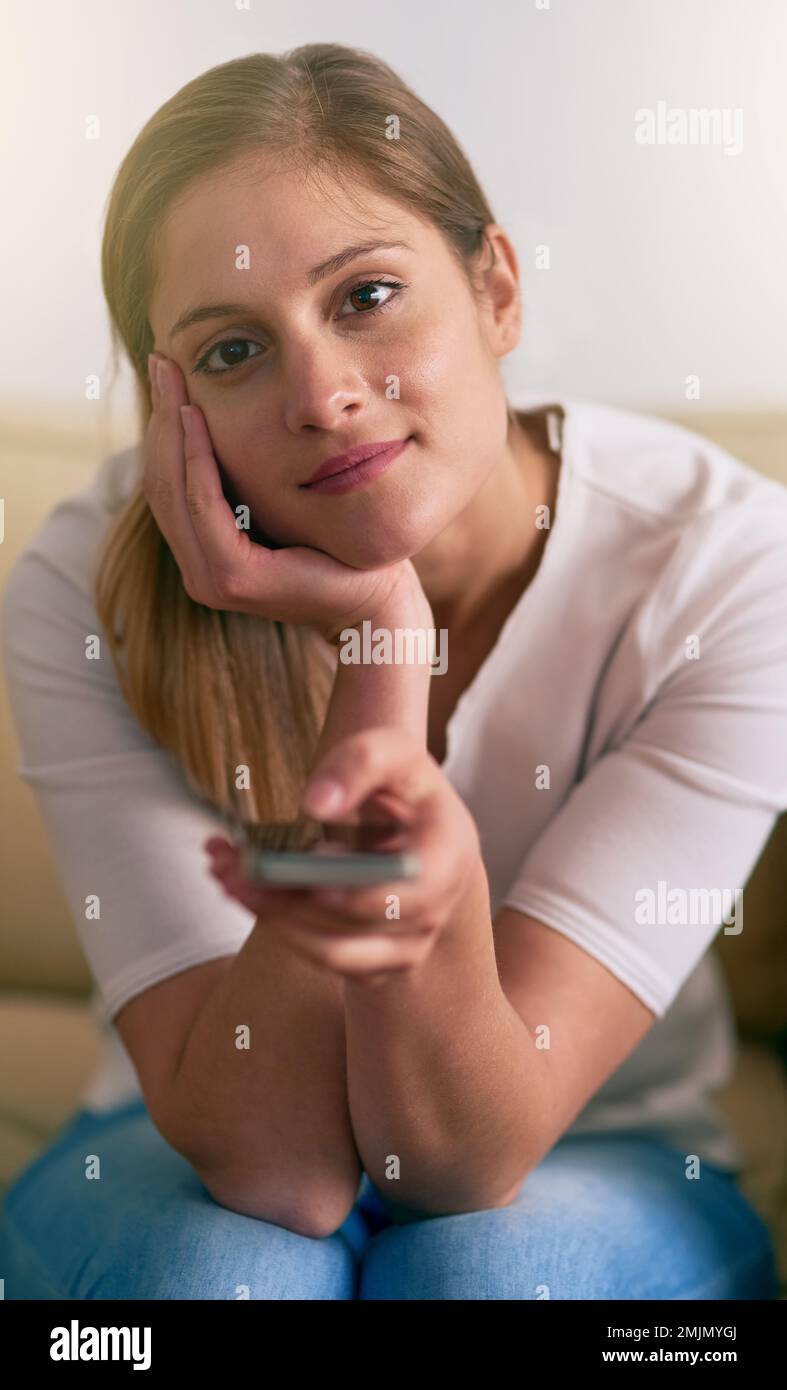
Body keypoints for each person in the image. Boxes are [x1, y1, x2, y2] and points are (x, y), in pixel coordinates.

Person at [1, 43, 783, 1300]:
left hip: (598, 1147)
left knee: (482, 1280)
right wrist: (385, 641)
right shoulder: (74, 591)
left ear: (497, 290)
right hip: (179, 1151)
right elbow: (280, 1174)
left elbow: (460, 1156)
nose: (322, 395)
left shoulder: (729, 571)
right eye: (231, 352)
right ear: (168, 406)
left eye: (364, 296)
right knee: (215, 1278)